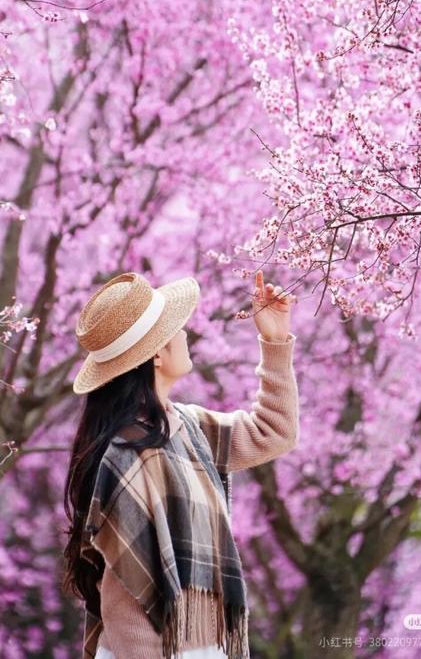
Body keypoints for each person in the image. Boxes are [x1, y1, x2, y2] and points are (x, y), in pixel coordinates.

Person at [63, 269, 300, 659]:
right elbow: (132, 592)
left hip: (203, 646)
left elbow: (274, 432)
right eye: (177, 328)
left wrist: (274, 341)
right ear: (156, 353)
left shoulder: (186, 426)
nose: (187, 334)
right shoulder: (128, 454)